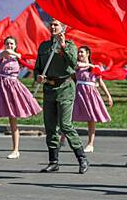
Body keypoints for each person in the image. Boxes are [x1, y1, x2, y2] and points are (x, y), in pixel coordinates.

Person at [34, 19, 89, 174]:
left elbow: (73, 64)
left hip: (64, 87)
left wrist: (63, 46)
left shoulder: (70, 45)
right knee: (50, 127)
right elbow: (37, 68)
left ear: (63, 28)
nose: (52, 26)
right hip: (49, 89)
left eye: (56, 24)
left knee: (65, 125)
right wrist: (37, 76)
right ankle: (53, 161)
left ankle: (82, 158)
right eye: (51, 24)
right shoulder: (44, 46)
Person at [0, 36, 42, 159]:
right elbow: (6, 52)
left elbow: (32, 65)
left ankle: (15, 150)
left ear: (15, 45)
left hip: (13, 88)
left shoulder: (18, 59)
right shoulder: (1, 53)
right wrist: (16, 54)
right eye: (7, 43)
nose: (9, 45)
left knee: (13, 119)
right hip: (0, 88)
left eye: (12, 44)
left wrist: (20, 58)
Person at [71, 46, 112, 153]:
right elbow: (76, 66)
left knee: (91, 119)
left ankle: (90, 144)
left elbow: (101, 82)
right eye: (78, 52)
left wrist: (108, 95)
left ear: (88, 53)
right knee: (69, 117)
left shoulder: (96, 67)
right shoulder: (78, 65)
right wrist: (90, 65)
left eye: (82, 52)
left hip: (90, 93)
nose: (79, 54)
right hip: (78, 92)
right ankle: (62, 140)